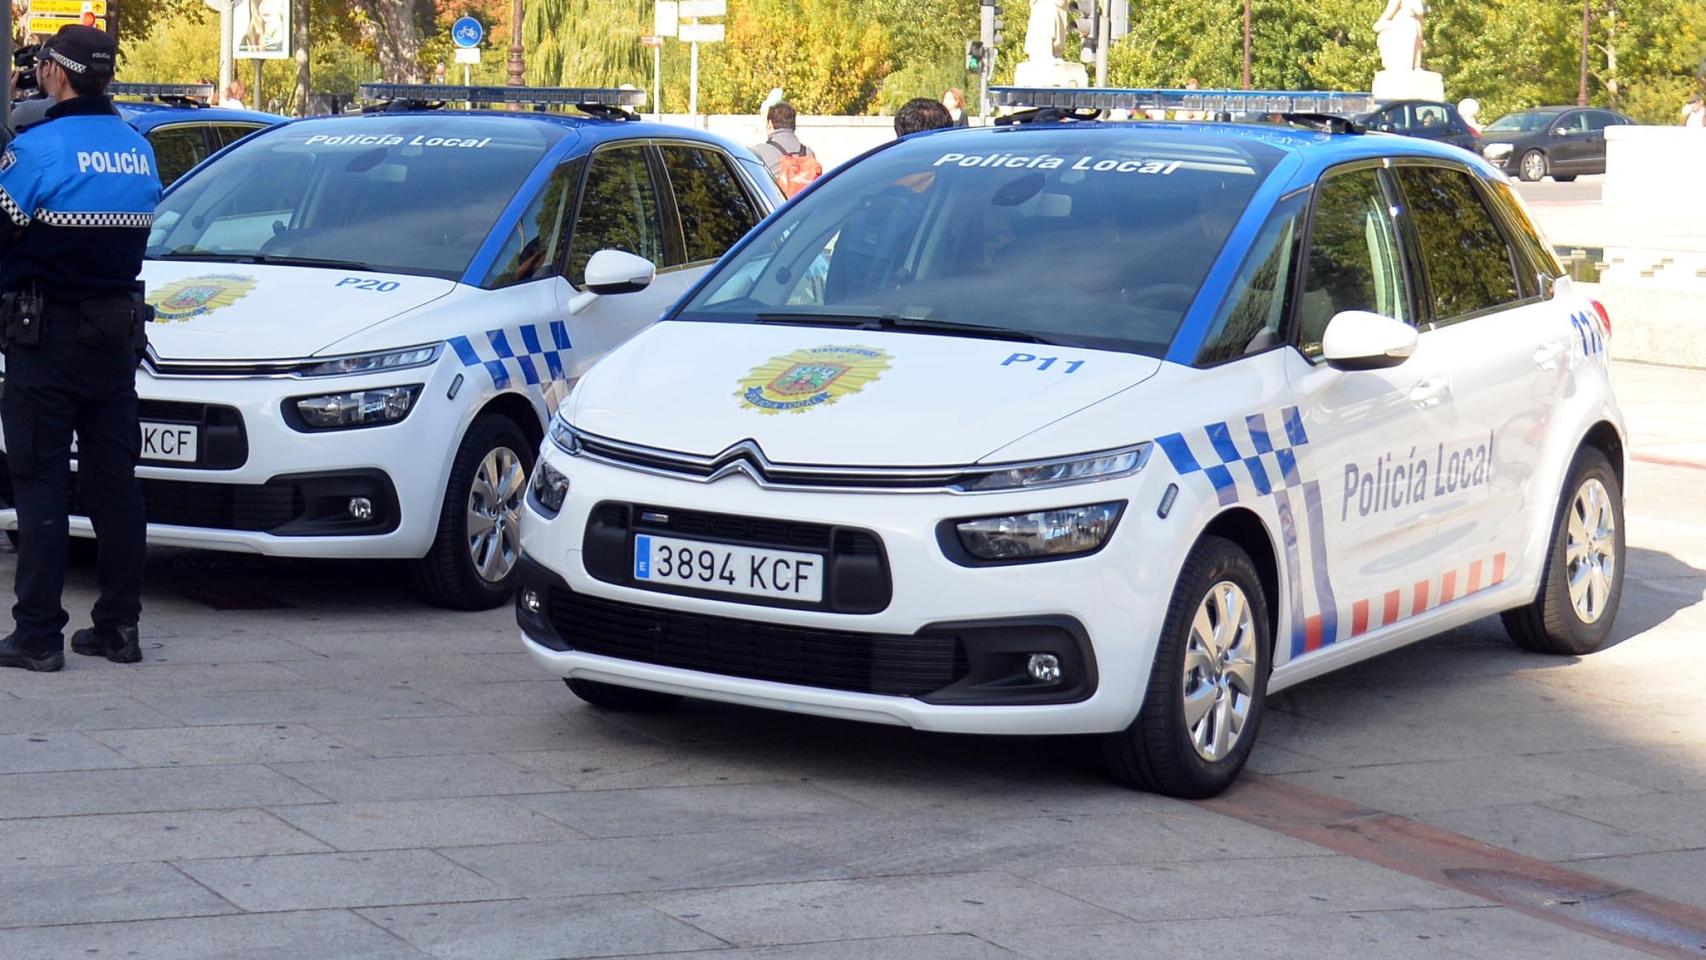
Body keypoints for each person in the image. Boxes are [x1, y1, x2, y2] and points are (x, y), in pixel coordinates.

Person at [0, 25, 160, 672]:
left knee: (40, 482)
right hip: (114, 338)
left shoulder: (35, 153)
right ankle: (119, 628)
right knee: (115, 485)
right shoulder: (139, 149)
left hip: (47, 338)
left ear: (55, 75)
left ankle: (38, 634)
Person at [749, 101, 821, 199]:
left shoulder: (758, 153)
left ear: (770, 124)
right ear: (793, 125)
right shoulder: (808, 153)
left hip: (780, 210)